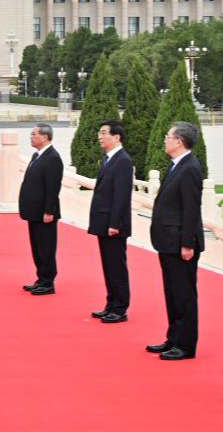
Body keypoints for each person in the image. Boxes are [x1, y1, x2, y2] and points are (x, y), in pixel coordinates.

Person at [147, 122, 204, 361]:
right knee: (172, 293)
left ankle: (186, 345)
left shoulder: (190, 167)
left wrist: (187, 243)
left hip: (180, 243)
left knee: (184, 296)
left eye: (168, 136)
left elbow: (191, 209)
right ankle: (173, 338)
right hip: (167, 241)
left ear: (179, 141)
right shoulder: (176, 166)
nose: (164, 140)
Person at [88, 121, 133, 324]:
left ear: (116, 137)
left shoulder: (122, 161)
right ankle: (111, 303)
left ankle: (120, 307)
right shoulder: (107, 159)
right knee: (108, 266)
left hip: (113, 225)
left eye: (104, 133)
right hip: (103, 221)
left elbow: (122, 196)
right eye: (99, 132)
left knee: (116, 266)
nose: (100, 136)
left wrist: (115, 223)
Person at [18, 123, 64, 295]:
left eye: (34, 134)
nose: (31, 137)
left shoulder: (53, 158)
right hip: (33, 211)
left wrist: (49, 211)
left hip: (44, 213)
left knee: (46, 248)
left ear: (45, 137)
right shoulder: (36, 155)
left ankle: (48, 282)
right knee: (37, 248)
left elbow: (53, 188)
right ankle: (40, 278)